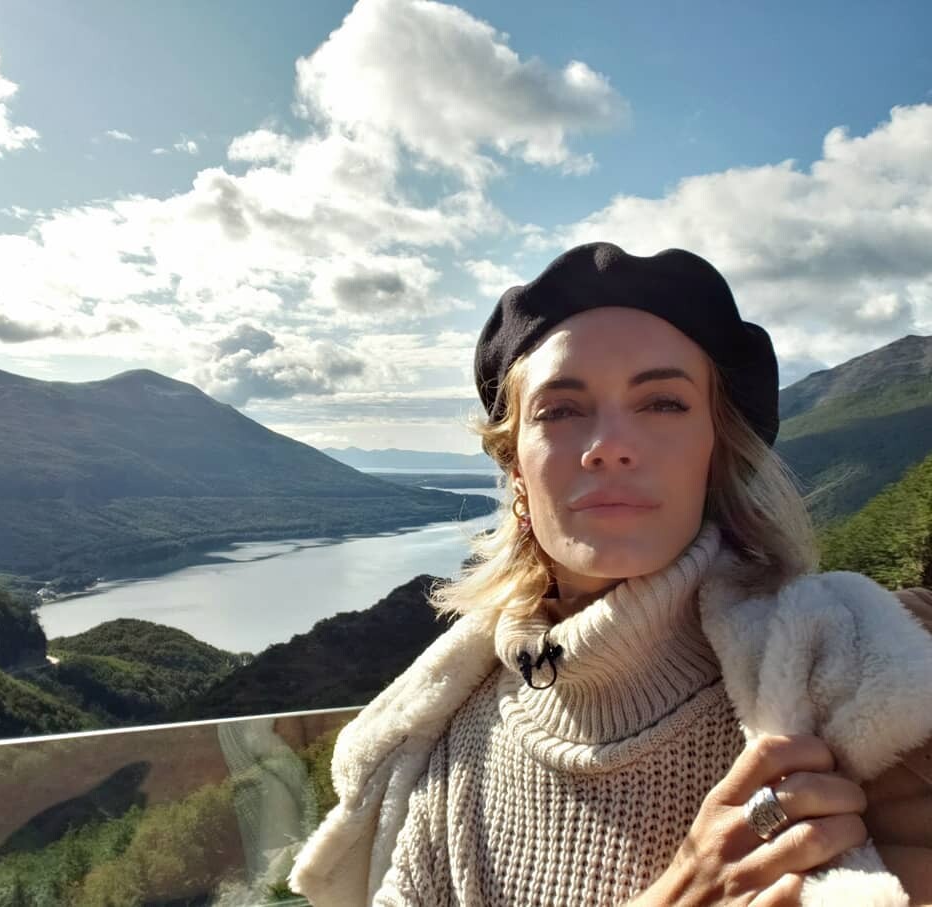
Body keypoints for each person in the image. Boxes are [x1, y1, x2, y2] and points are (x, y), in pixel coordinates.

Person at [290, 242, 932, 906]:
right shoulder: (446, 750)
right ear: (516, 467)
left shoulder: (859, 675)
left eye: (663, 403)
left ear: (716, 451)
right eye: (561, 410)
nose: (609, 446)